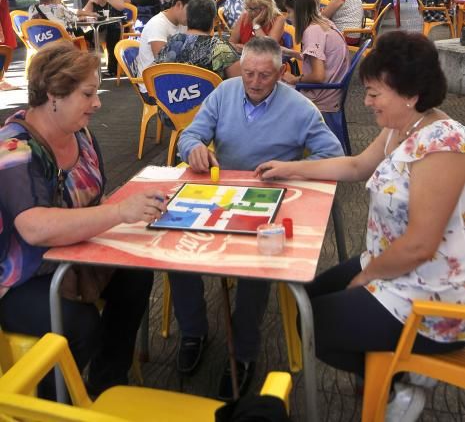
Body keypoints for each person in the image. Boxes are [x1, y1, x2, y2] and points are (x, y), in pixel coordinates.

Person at [255, 31, 465, 422]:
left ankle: (399, 378)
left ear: (411, 94)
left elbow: (420, 244)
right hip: (395, 266)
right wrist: (291, 168)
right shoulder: (404, 127)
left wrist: (366, 276)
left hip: (433, 296)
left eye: (374, 93)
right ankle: (390, 371)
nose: (366, 101)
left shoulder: (443, 145)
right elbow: (355, 166)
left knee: (316, 325)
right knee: (309, 303)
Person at [173, 37, 343, 399]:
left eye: (264, 76)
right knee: (176, 251)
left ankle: (244, 352)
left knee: (256, 267)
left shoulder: (300, 108)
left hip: (269, 199)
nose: (253, 82)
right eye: (248, 72)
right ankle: (193, 332)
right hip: (220, 193)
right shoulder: (224, 92)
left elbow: (334, 156)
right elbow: (189, 136)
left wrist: (292, 168)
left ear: (281, 72)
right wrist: (195, 149)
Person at [0, 41, 165, 399]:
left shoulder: (82, 135)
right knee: (81, 326)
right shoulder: (14, 148)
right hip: (21, 278)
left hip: (76, 257)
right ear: (52, 95)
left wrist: (132, 214)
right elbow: (34, 227)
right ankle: (47, 406)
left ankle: (106, 385)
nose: (98, 102)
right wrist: (120, 212)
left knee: (136, 275)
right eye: (88, 93)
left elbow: (96, 199)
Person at [283, 0, 349, 113]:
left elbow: (318, 76)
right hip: (332, 92)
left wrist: (295, 79)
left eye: (289, 11)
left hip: (321, 98)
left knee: (272, 92)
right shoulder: (324, 23)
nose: (288, 16)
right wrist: (290, 52)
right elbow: (323, 59)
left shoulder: (312, 32)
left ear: (299, 12)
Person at [154, 0, 240, 79]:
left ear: (187, 18)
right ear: (213, 21)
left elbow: (155, 74)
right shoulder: (220, 48)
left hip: (173, 92)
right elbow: (239, 83)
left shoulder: (171, 42)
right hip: (211, 93)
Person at [137, 0, 199, 98]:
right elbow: (164, 64)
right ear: (179, 5)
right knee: (207, 92)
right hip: (154, 86)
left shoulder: (182, 23)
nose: (193, 17)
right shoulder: (157, 25)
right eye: (191, 12)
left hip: (172, 79)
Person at [79, 0, 126, 78]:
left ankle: (112, 69)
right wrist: (90, 6)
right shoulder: (93, 1)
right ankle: (89, 68)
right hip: (98, 30)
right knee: (81, 35)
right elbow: (82, 15)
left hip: (117, 28)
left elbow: (121, 7)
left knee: (113, 30)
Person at [0, 0, 17, 91]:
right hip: (2, 25)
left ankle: (2, 79)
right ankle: (1, 81)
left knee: (5, 52)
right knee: (4, 52)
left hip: (5, 23)